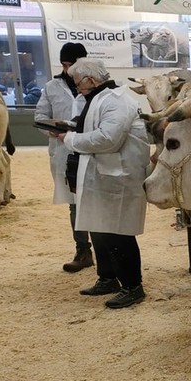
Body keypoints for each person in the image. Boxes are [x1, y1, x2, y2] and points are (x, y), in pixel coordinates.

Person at [56, 59, 151, 309]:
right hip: (100, 176)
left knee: (118, 232)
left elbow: (108, 138)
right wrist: (68, 128)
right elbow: (94, 127)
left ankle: (133, 287)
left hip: (118, 178)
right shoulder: (99, 99)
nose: (77, 89)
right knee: (99, 228)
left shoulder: (117, 101)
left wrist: (71, 139)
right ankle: (108, 278)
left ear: (91, 80)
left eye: (78, 84)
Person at [35, 42, 92, 273]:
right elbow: (40, 115)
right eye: (66, 65)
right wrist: (49, 129)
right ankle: (83, 250)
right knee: (74, 203)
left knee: (96, 201)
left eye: (74, 64)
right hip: (63, 151)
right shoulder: (51, 87)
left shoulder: (94, 85)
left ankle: (106, 250)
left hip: (90, 148)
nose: (69, 70)